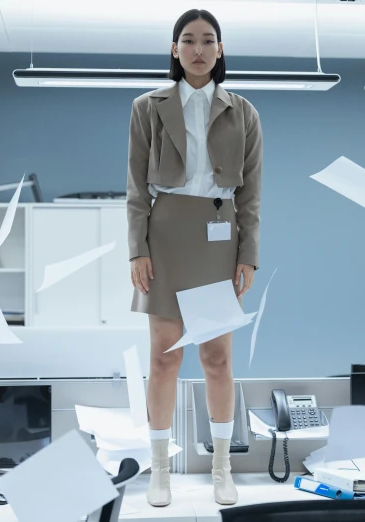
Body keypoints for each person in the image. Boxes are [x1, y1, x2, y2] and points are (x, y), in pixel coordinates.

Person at [125, 8, 263, 508]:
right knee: (164, 358)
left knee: (217, 357)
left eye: (208, 40)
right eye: (189, 40)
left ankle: (222, 468)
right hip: (165, 232)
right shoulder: (148, 106)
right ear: (175, 49)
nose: (199, 49)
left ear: (220, 50)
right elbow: (136, 187)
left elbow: (251, 194)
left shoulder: (244, 112)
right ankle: (159, 470)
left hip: (218, 235)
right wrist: (136, 248)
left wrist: (247, 255)